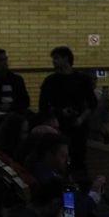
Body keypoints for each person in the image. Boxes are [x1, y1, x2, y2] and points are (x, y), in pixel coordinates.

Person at [39, 45, 97, 176]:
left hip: (78, 126)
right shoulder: (50, 81)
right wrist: (59, 113)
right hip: (58, 127)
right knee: (60, 160)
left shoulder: (82, 79)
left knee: (78, 158)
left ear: (66, 59)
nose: (53, 61)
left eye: (56, 58)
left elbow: (93, 103)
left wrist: (81, 118)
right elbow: (43, 106)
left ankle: (78, 183)